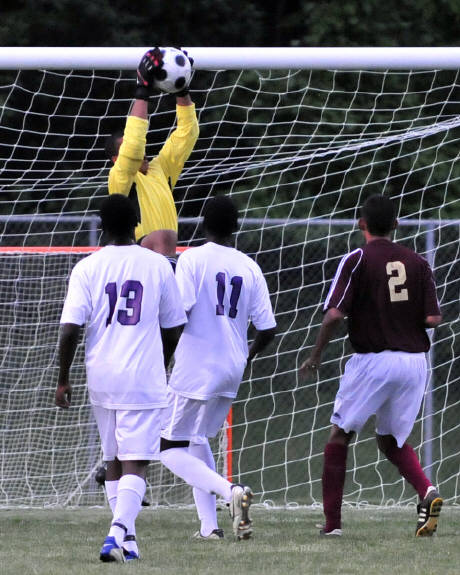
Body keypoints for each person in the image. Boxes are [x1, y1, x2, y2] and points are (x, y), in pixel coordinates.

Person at [300, 194, 443, 538]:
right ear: (396, 225)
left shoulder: (357, 258)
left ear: (361, 224)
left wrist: (316, 354)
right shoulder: (418, 262)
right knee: (391, 440)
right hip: (414, 363)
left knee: (340, 435)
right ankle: (427, 491)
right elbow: (433, 318)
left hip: (373, 360)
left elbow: (334, 314)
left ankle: (332, 525)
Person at [55, 194, 187, 562]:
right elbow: (174, 327)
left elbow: (70, 328)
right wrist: (161, 362)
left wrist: (63, 378)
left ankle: (129, 543)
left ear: (102, 226)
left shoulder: (87, 267)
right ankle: (116, 533)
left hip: (101, 376)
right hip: (141, 376)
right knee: (136, 463)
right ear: (136, 225)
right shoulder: (158, 265)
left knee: (112, 459)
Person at [159, 195, 277, 540]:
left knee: (166, 448)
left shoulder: (192, 258)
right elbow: (268, 329)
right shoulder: (249, 266)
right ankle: (209, 527)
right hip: (231, 368)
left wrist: (162, 359)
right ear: (235, 228)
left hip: (197, 366)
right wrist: (246, 356)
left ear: (203, 224)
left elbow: (178, 314)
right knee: (196, 439)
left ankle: (231, 492)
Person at [105, 47, 199, 268]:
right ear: (116, 159)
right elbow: (134, 146)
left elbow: (188, 133)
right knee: (162, 237)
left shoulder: (160, 169)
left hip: (167, 261)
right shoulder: (119, 179)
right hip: (138, 262)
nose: (139, 150)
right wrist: (142, 89)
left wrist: (182, 90)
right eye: (124, 146)